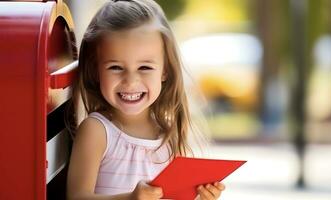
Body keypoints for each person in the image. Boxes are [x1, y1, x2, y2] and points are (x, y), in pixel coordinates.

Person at [66, 0, 225, 199]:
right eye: (115, 67)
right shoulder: (97, 130)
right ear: (96, 70)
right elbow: (77, 196)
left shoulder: (168, 134)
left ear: (165, 71)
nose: (130, 81)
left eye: (145, 68)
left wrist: (201, 196)